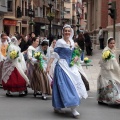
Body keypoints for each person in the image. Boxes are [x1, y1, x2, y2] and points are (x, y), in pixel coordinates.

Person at [46, 24, 88, 118]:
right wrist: (48, 66)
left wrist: (76, 57)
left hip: (71, 66)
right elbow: (54, 54)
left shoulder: (72, 42)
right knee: (64, 86)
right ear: (63, 32)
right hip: (61, 66)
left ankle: (73, 107)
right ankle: (66, 107)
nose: (67, 32)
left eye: (69, 31)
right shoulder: (60, 42)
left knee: (74, 84)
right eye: (65, 31)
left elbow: (76, 53)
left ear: (71, 32)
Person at [97, 37, 120, 105]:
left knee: (107, 85)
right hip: (107, 72)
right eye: (111, 43)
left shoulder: (113, 50)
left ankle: (102, 99)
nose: (112, 45)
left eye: (113, 43)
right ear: (108, 43)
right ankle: (116, 99)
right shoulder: (106, 51)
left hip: (113, 71)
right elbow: (103, 62)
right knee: (111, 84)